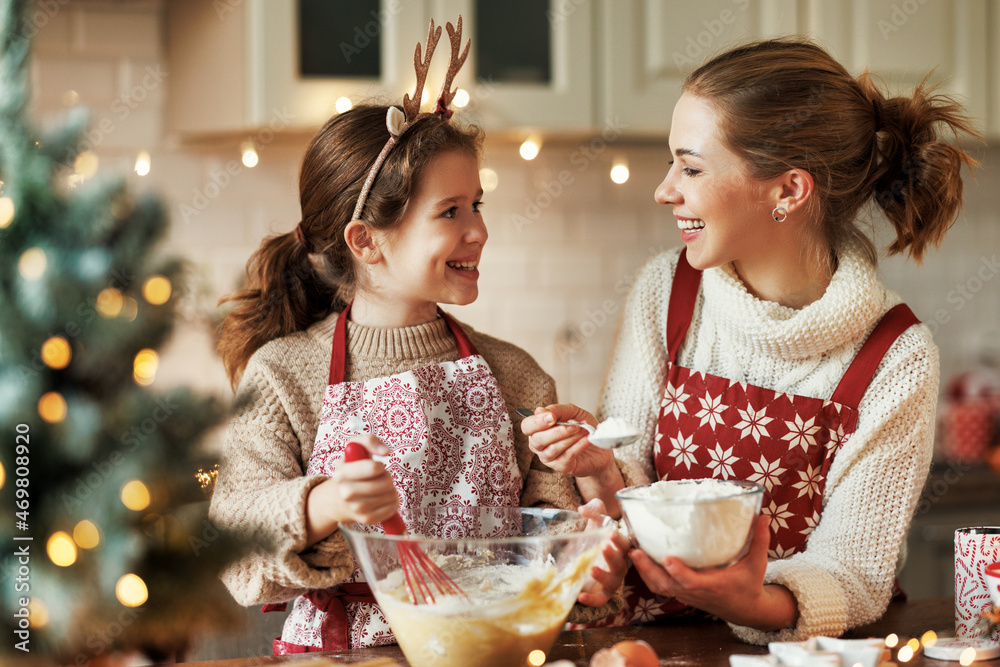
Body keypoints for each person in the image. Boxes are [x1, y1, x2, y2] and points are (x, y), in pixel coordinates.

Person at [521, 37, 979, 644]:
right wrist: (603, 469)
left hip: (801, 654)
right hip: (654, 641)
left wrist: (750, 600)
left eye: (691, 167)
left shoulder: (896, 356)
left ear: (788, 190)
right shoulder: (668, 290)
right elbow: (632, 479)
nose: (665, 190)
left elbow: (853, 573)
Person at [209, 20, 626, 655]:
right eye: (450, 212)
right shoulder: (285, 374)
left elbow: (550, 530)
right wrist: (324, 503)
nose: (479, 231)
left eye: (477, 205)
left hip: (491, 648)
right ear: (366, 240)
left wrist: (584, 547)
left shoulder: (513, 374)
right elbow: (235, 536)